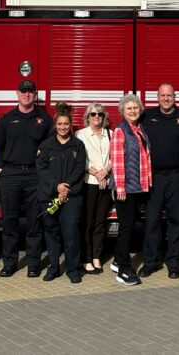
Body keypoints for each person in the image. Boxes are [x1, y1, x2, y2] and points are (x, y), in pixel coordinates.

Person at [0, 79, 54, 278]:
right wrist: (0, 168)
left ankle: (33, 264)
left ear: (35, 95)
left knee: (34, 223)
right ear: (16, 94)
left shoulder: (44, 119)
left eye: (30, 92)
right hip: (10, 174)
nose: (27, 95)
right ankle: (9, 263)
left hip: (34, 175)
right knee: (9, 222)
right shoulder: (7, 119)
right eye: (23, 91)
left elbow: (49, 147)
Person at [140, 83, 179, 278]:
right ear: (157, 97)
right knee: (151, 221)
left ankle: (174, 264)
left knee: (176, 221)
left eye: (169, 95)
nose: (166, 98)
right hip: (154, 177)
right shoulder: (146, 117)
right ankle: (150, 262)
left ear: (175, 96)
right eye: (163, 95)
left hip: (177, 177)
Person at [37, 104, 87, 283]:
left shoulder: (78, 145)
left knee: (71, 232)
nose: (63, 127)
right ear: (55, 125)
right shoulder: (46, 145)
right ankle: (53, 267)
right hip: (49, 196)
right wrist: (56, 187)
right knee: (51, 233)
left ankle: (73, 269)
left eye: (66, 124)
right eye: (59, 124)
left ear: (71, 125)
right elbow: (42, 170)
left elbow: (80, 169)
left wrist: (66, 189)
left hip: (71, 197)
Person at [111, 93, 152, 286]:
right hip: (125, 189)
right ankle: (124, 270)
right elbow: (118, 161)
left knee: (129, 226)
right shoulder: (121, 131)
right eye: (129, 108)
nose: (133, 111)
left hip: (138, 187)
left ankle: (118, 260)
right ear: (123, 111)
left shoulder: (139, 129)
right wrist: (120, 187)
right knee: (126, 229)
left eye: (135, 108)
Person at [75, 103, 112, 274]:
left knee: (100, 222)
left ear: (104, 117)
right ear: (87, 117)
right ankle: (86, 258)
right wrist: (98, 173)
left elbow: (114, 157)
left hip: (105, 183)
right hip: (89, 183)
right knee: (87, 222)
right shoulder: (80, 135)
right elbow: (80, 159)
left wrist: (106, 171)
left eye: (100, 114)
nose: (96, 117)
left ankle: (96, 256)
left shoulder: (110, 134)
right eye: (93, 114)